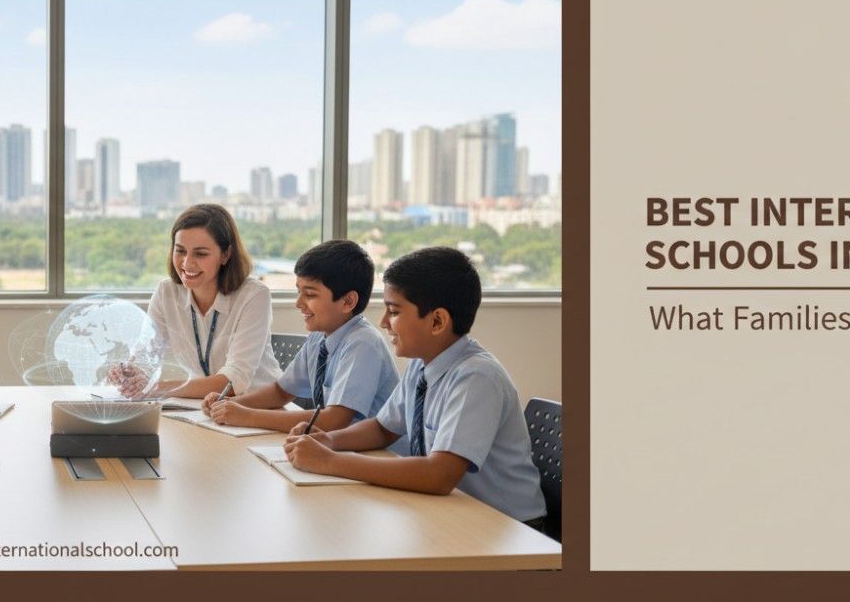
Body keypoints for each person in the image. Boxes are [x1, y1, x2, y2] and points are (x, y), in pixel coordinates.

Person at [282, 247, 547, 528]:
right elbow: (383, 428)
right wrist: (329, 440)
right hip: (451, 510)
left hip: (508, 527)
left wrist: (331, 462)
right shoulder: (422, 365)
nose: (383, 322)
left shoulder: (477, 378)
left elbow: (439, 475)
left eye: (394, 311)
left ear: (437, 321)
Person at [200, 240, 397, 432]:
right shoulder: (319, 338)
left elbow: (334, 420)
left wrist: (247, 416)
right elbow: (281, 391)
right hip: (339, 447)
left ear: (348, 301)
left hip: (383, 456)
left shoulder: (363, 344)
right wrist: (229, 403)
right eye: (298, 291)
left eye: (310, 295)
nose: (298, 303)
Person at [111, 204, 281, 399]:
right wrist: (131, 372)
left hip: (257, 409)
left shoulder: (254, 296)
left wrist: (155, 388)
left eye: (200, 254)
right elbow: (146, 354)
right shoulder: (166, 292)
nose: (187, 263)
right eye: (180, 251)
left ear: (225, 254)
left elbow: (234, 381)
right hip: (201, 408)